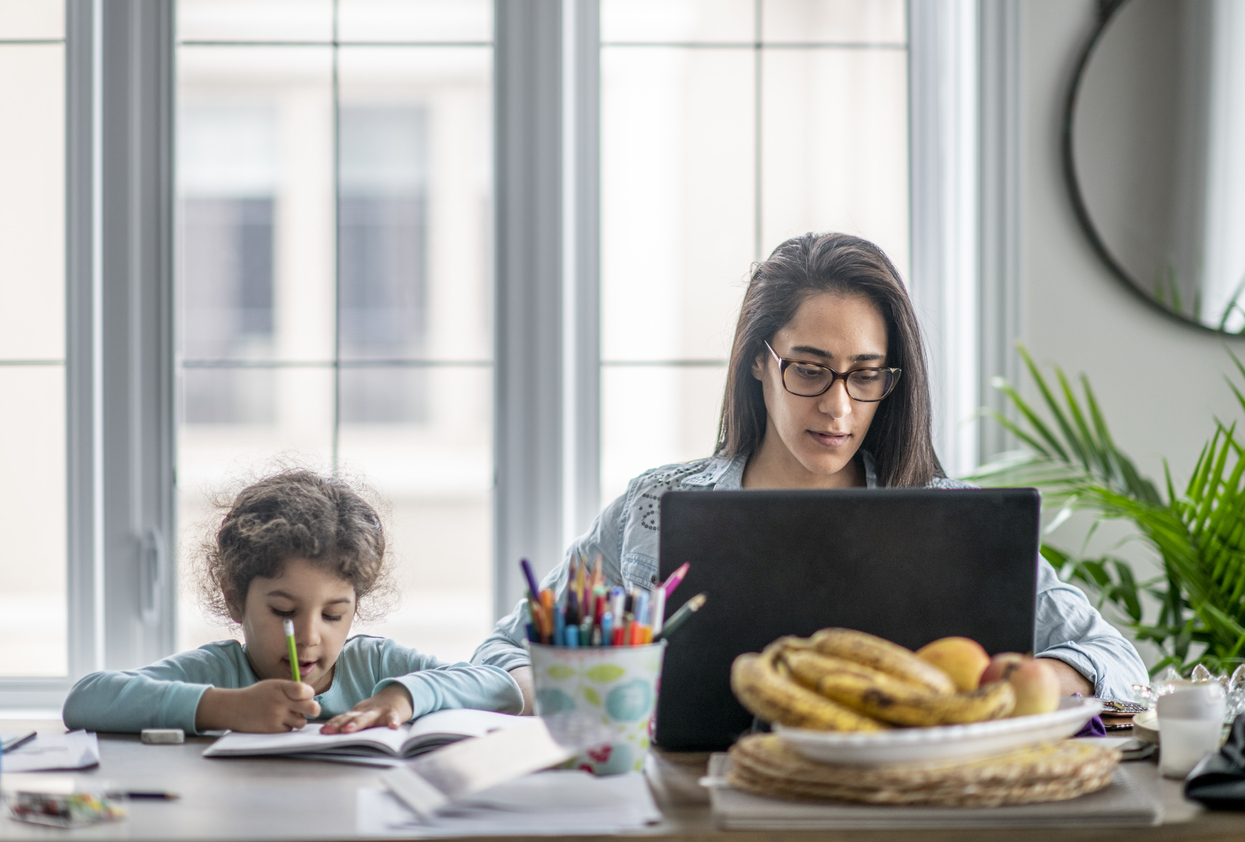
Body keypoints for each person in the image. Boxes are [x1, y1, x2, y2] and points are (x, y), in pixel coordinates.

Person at [473, 232, 1148, 710]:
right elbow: (505, 654)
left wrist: (1021, 683)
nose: (837, 406)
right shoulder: (652, 507)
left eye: (864, 375)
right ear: (759, 360)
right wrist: (579, 686)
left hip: (917, 815)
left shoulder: (954, 518)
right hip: (685, 809)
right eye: (808, 369)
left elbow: (1117, 661)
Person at [64, 470, 522, 734]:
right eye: (283, 612)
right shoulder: (218, 674)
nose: (308, 635)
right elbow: (86, 700)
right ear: (234, 599)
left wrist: (404, 695)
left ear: (355, 608)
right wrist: (226, 708)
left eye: (333, 614)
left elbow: (501, 687)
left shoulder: (377, 666)